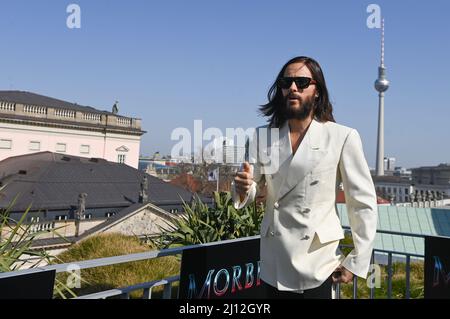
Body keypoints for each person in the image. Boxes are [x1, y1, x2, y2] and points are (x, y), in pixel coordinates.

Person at [232, 56, 378, 299]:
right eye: (286, 81)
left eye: (301, 82)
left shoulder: (342, 137)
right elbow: (253, 190)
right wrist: (243, 188)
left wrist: (356, 260)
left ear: (317, 91)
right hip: (274, 261)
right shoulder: (261, 137)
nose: (292, 88)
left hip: (318, 264)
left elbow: (362, 204)